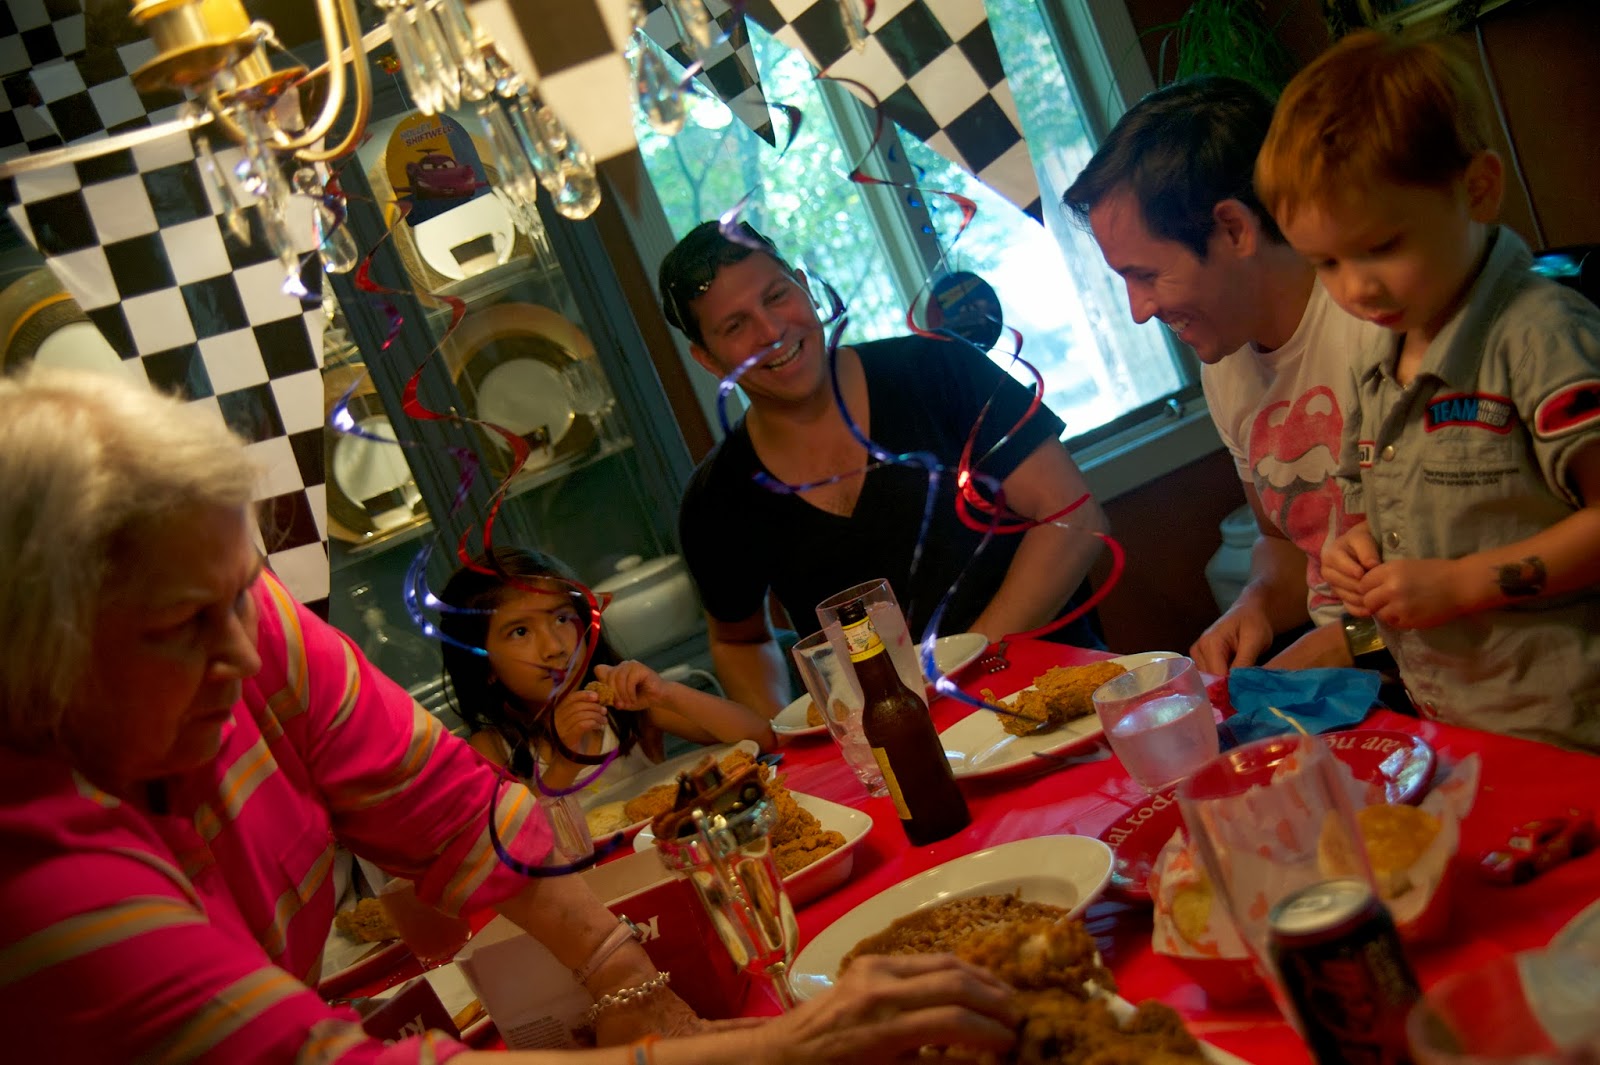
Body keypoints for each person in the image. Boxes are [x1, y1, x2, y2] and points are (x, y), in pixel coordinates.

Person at [0, 364, 1024, 1061]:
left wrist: (629, 982)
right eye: (183, 626)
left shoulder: (242, 617)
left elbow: (450, 811)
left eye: (243, 597)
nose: (242, 651)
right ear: (40, 643)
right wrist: (778, 1047)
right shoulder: (35, 878)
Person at [1256, 31, 1600, 751]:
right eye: (1326, 263)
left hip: (1567, 723)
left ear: (1477, 189)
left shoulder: (1542, 337)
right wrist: (1357, 548)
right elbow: (1377, 505)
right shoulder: (1379, 357)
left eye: (1382, 247)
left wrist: (1464, 583)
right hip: (1458, 718)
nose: (1356, 288)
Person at [663, 221, 1109, 717]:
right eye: (735, 326)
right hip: (895, 743)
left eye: (776, 296)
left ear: (805, 288)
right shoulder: (716, 499)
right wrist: (787, 738)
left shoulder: (936, 369)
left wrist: (953, 674)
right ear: (708, 359)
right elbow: (739, 640)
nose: (770, 332)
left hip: (1057, 699)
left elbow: (1072, 515)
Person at [1063, 76, 1390, 677]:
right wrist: (1255, 604)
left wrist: (1347, 644)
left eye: (1147, 275)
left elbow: (1477, 558)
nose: (1138, 310)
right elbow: (1286, 545)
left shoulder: (1383, 324)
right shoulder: (1226, 362)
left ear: (1236, 230)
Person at [437, 546, 774, 792]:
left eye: (562, 618)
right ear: (484, 665)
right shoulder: (491, 751)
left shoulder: (625, 706)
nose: (554, 646)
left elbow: (760, 738)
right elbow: (519, 844)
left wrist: (668, 693)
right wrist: (565, 764)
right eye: (520, 632)